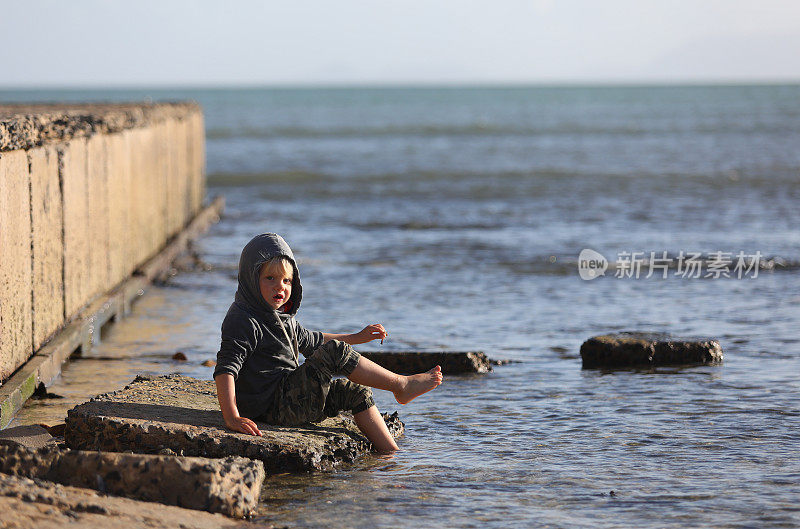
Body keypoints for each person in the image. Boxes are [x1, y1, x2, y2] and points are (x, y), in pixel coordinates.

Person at [214, 233, 443, 453]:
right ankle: (401, 385)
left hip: (293, 400)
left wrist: (358, 337)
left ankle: (392, 457)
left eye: (287, 280)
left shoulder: (282, 318)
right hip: (272, 407)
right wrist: (232, 417)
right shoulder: (243, 319)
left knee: (355, 391)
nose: (280, 287)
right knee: (335, 352)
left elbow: (314, 340)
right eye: (270, 278)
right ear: (250, 279)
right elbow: (226, 368)